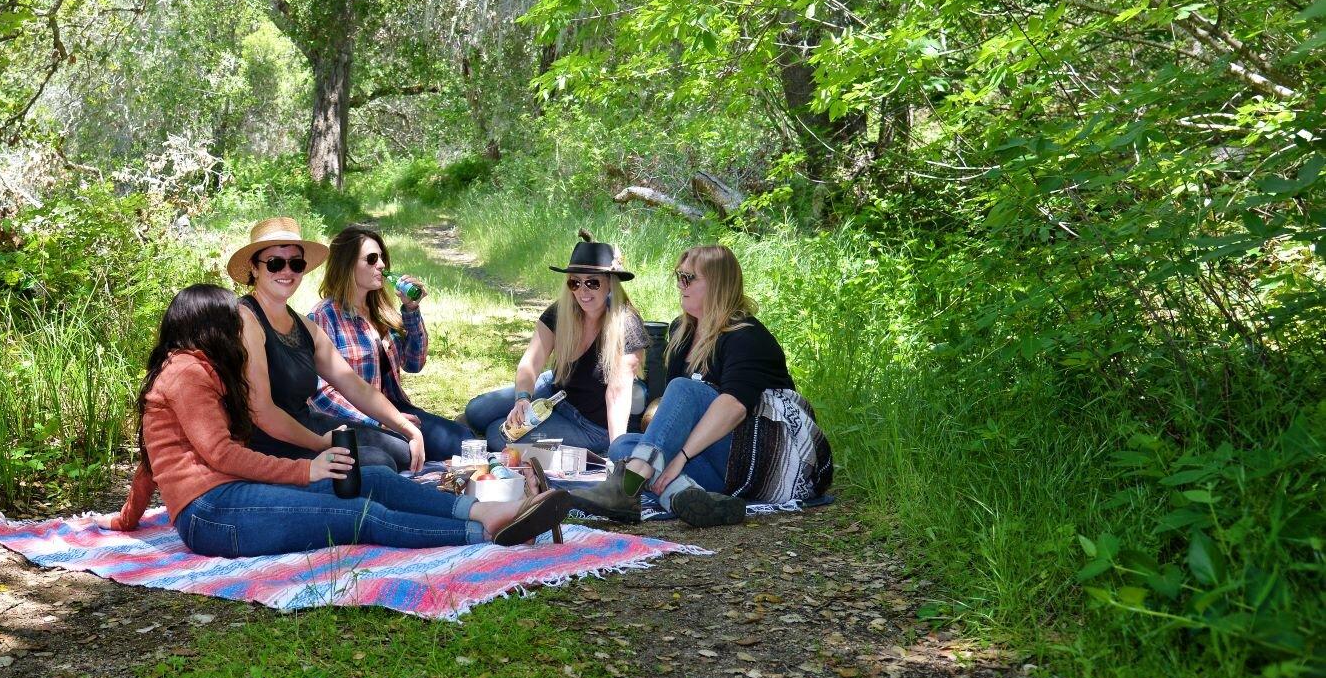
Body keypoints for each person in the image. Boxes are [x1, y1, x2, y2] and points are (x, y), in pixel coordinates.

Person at [104, 284, 574, 553]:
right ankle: (482, 531)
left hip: (231, 495)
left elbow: (153, 457)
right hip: (212, 513)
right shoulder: (187, 372)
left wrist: (127, 519)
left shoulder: (198, 370)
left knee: (372, 479)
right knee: (355, 514)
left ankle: (485, 509)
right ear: (207, 329)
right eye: (230, 325)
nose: (238, 331)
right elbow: (220, 453)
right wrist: (305, 469)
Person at [568, 244, 833, 528]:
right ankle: (689, 497)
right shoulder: (682, 335)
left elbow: (733, 407)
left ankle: (627, 488)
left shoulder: (747, 336)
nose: (680, 285)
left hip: (773, 457)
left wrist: (681, 455)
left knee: (682, 394)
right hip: (721, 460)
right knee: (623, 446)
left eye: (689, 278)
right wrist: (673, 454)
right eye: (679, 276)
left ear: (718, 284)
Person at [226, 216, 427, 473]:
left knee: (399, 449)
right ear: (255, 268)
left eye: (296, 264)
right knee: (378, 464)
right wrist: (321, 443)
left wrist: (405, 427)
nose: (287, 272)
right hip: (267, 440)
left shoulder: (304, 325)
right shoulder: (247, 319)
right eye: (275, 263)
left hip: (307, 423)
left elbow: (355, 387)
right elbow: (261, 412)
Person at [463, 231, 648, 454]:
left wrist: (617, 452)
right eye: (575, 283)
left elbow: (617, 394)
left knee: (497, 434)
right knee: (476, 411)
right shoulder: (561, 312)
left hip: (589, 426)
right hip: (555, 392)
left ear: (610, 284)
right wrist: (522, 399)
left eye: (592, 283)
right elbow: (531, 362)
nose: (583, 291)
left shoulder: (626, 324)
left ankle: (480, 440)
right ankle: (478, 434)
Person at [310, 225, 471, 466]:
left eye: (382, 257)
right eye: (372, 259)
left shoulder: (381, 310)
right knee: (402, 455)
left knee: (463, 441)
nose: (382, 265)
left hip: (395, 408)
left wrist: (411, 310)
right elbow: (322, 395)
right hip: (354, 417)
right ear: (347, 265)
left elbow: (415, 364)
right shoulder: (324, 316)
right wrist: (378, 422)